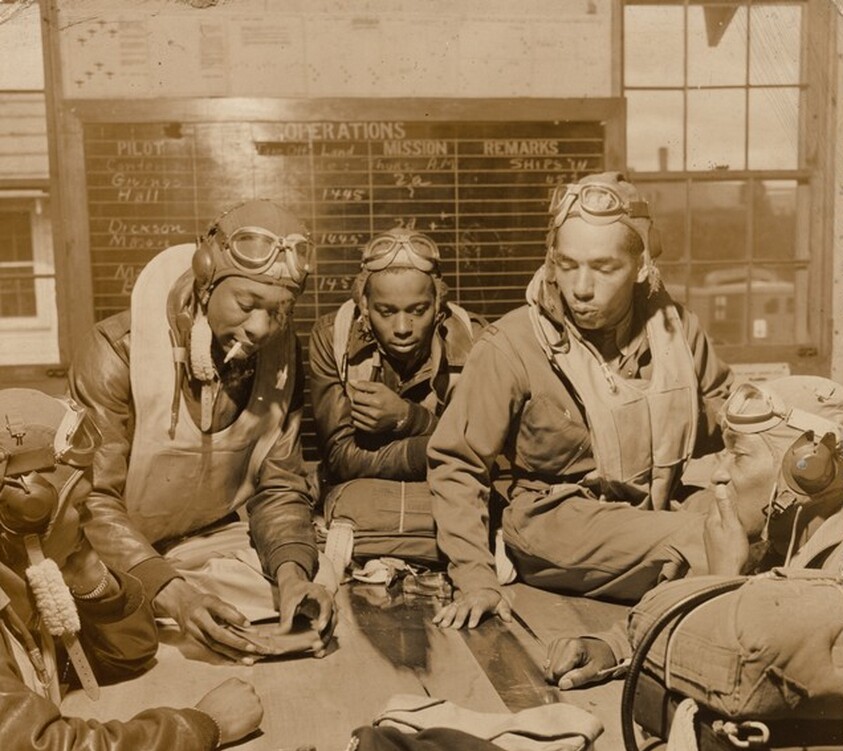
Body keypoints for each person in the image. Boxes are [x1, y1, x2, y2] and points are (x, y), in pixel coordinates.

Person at [428, 171, 732, 630]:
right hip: (557, 519)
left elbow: (726, 420)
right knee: (713, 539)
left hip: (657, 506)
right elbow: (456, 463)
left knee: (771, 524)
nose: (581, 287)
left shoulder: (676, 329)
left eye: (604, 267)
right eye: (567, 265)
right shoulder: (512, 344)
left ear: (643, 265)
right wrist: (475, 578)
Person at [69, 199, 335, 664]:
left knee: (316, 574)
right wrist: (173, 593)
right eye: (247, 304)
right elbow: (93, 501)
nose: (259, 328)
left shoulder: (282, 354)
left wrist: (293, 576)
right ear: (206, 279)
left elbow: (279, 488)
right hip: (115, 543)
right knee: (90, 599)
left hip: (205, 540)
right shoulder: (116, 350)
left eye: (279, 311)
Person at [0, 389, 263, 751]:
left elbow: (129, 653)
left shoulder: (22, 572)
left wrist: (86, 569)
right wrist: (205, 725)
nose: (87, 523)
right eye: (80, 507)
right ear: (26, 512)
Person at [544, 374, 843, 688]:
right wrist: (613, 648)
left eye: (739, 456)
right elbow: (669, 610)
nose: (718, 475)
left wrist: (723, 578)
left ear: (809, 471)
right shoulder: (768, 540)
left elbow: (735, 679)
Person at [308, 227, 484, 565]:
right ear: (364, 305)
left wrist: (408, 418)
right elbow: (342, 459)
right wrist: (446, 441)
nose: (402, 327)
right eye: (386, 312)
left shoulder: (476, 339)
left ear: (439, 305)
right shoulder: (332, 336)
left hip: (439, 498)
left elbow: (488, 454)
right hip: (372, 501)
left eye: (418, 310)